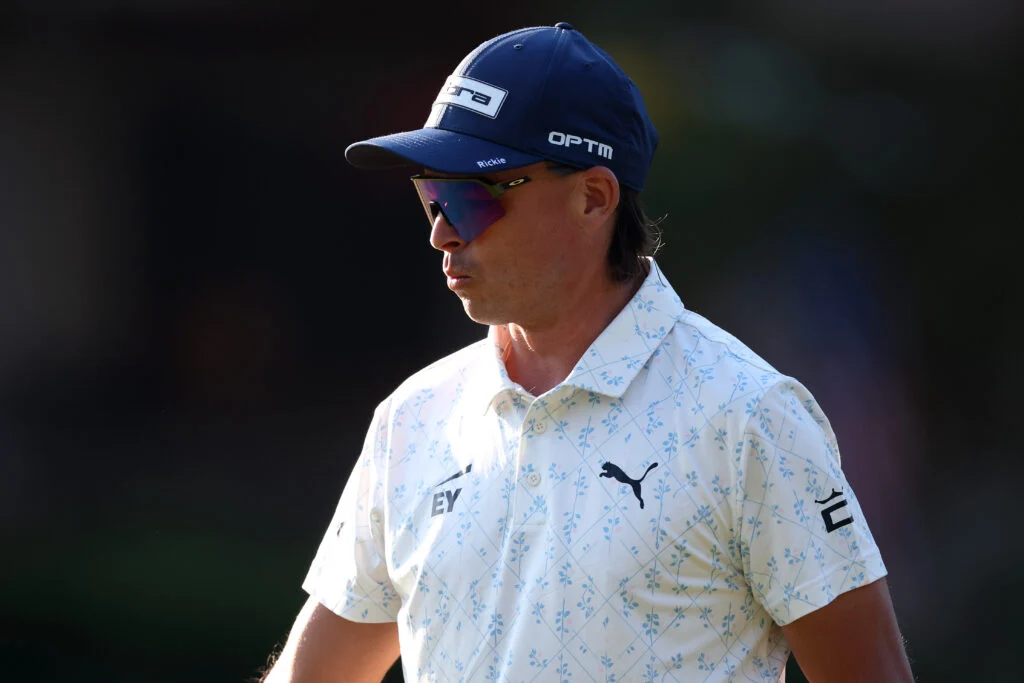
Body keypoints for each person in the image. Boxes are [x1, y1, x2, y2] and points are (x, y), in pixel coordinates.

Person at [262, 22, 914, 683]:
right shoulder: (412, 420)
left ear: (593, 198)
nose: (441, 233)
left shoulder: (750, 417)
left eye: (470, 196)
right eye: (431, 195)